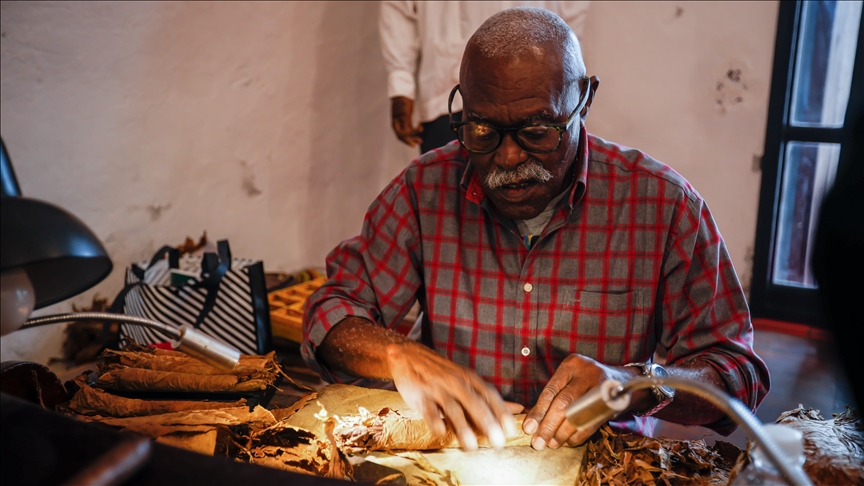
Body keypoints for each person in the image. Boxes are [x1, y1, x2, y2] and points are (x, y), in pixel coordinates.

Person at [304, 7, 769, 451]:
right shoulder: (425, 189)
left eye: (538, 131)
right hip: (457, 459)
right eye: (482, 130)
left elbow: (736, 372)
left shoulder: (662, 206)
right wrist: (397, 356)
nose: (507, 158)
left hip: (602, 465)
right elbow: (331, 311)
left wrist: (636, 384)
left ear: (584, 100)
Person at [380, 1, 590, 154]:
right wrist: (401, 84)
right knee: (448, 199)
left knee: (538, 200)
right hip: (448, 97)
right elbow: (398, 8)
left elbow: (572, 13)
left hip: (537, 96)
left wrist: (567, 73)